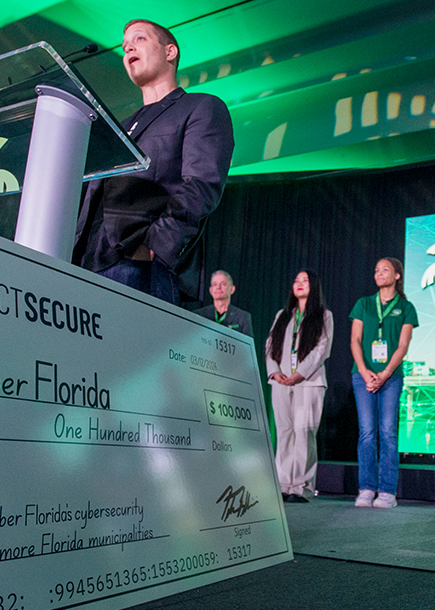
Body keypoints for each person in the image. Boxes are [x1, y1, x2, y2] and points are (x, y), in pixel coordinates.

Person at [73, 19, 235, 304]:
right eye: (125, 47)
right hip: (86, 267)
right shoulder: (119, 128)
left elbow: (201, 184)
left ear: (170, 52)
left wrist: (154, 245)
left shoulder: (201, 107)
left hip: (139, 265)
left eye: (139, 40)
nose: (128, 48)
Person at [349, 258, 418, 508]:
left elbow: (403, 345)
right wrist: (366, 372)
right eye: (376, 270)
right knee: (366, 432)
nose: (379, 273)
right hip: (363, 376)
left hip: (391, 377)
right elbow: (355, 341)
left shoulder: (406, 307)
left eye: (385, 269)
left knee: (388, 432)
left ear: (397, 275)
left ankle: (387, 491)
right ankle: (366, 488)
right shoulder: (364, 304)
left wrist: (386, 373)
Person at [266, 271, 334, 503]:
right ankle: (283, 484)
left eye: (305, 280)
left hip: (308, 382)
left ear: (314, 286)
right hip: (281, 381)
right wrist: (274, 372)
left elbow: (321, 350)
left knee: (304, 432)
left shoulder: (324, 316)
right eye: (296, 280)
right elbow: (270, 346)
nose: (299, 284)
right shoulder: (282, 315)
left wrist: (299, 374)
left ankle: (302, 487)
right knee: (284, 431)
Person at [194, 270, 253, 337]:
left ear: (232, 289)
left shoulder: (242, 317)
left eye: (223, 284)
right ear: (210, 290)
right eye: (214, 284)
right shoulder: (199, 315)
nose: (218, 287)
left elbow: (247, 345)